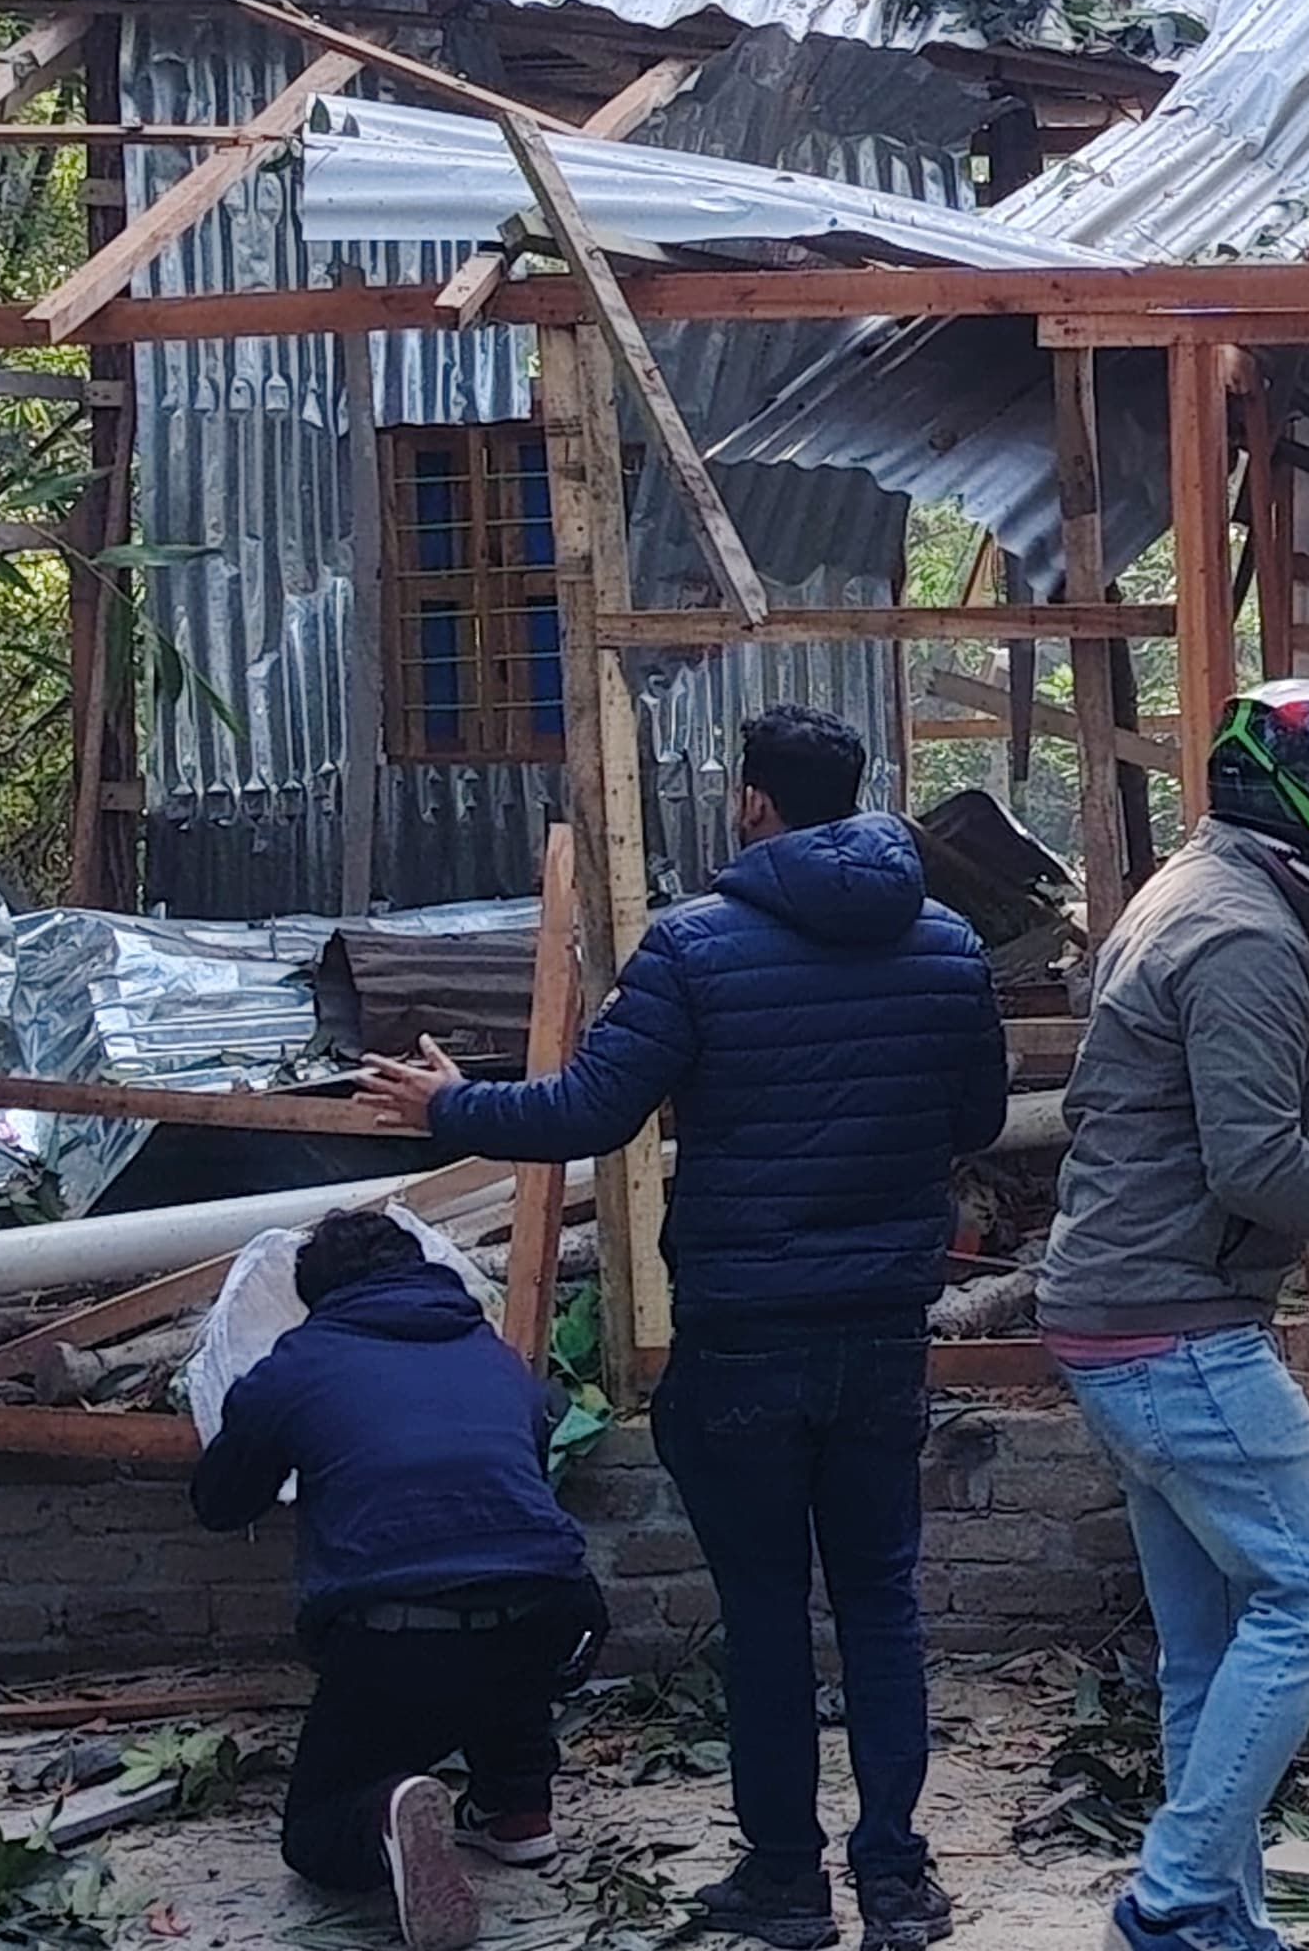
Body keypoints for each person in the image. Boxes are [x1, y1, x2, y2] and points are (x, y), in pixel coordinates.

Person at [358, 706, 1006, 1951]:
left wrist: (448, 1107)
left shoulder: (697, 946)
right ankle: (897, 1881)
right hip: (883, 1331)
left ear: (753, 801)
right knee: (881, 1607)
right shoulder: (945, 943)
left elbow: (588, 1113)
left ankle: (785, 1882)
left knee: (764, 1616)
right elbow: (975, 1118)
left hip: (744, 1335)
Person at [1039, 680, 1309, 1951]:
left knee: (1210, 1641)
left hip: (1116, 1306)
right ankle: (1172, 1898)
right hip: (1173, 1321)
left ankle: (1216, 1924)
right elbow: (1255, 1164)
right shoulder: (1242, 938)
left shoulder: (1186, 891)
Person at [191, 1208, 605, 1951]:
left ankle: (384, 1810)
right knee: (499, 1620)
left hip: (400, 1632)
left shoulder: (302, 1362)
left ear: (317, 1295)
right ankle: (517, 1809)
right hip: (557, 1612)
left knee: (315, 1833)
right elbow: (528, 1449)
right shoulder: (492, 1354)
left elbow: (221, 1502)